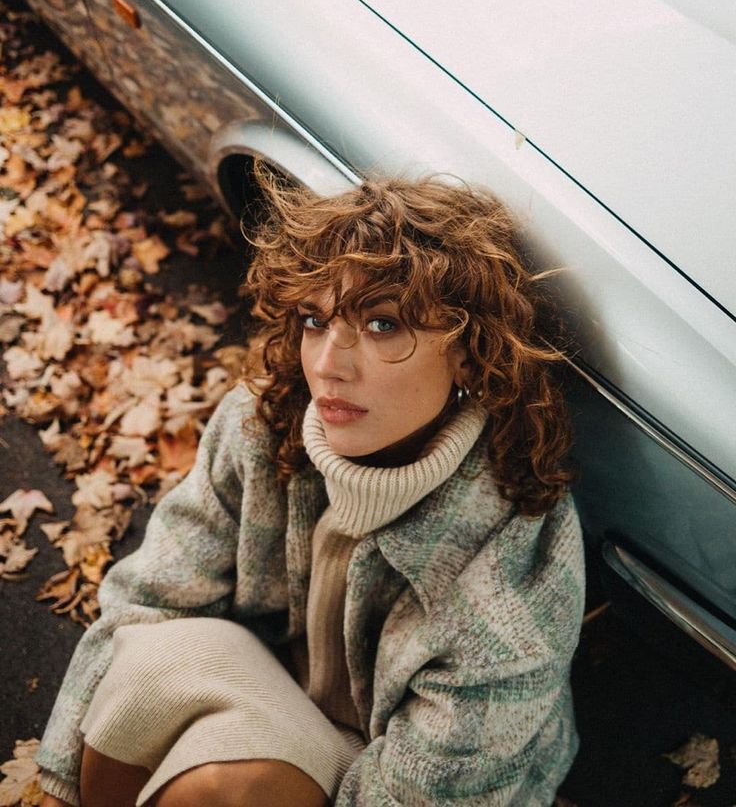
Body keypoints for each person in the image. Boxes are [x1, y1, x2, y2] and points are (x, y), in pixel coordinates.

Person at [37, 170, 585, 807]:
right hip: (276, 689)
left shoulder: (513, 564)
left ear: (467, 352)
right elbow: (147, 603)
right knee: (144, 671)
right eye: (315, 319)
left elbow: (418, 797)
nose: (329, 365)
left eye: (383, 326)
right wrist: (57, 783)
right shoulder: (259, 427)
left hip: (399, 774)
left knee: (227, 790)